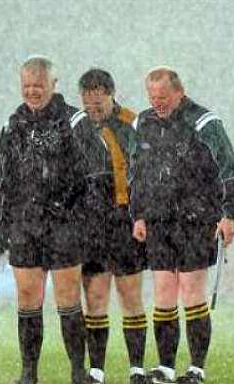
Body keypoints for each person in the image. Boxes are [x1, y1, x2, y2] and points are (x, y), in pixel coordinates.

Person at [129, 66, 234, 384]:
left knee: (191, 290)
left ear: (179, 91)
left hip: (197, 218)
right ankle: (165, 367)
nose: (157, 103)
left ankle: (196, 369)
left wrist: (229, 213)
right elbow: (135, 170)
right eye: (152, 97)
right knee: (164, 290)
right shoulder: (142, 123)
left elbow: (229, 168)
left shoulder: (205, 123)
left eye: (163, 97)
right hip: (158, 219)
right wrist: (138, 213)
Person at [0, 55, 101, 384]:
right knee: (27, 296)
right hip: (25, 225)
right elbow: (2, 180)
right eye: (26, 86)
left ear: (53, 85)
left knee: (68, 297)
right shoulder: (13, 126)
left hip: (64, 224)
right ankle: (29, 373)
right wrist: (2, 223)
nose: (32, 92)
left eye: (38, 86)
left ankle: (78, 371)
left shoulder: (74, 121)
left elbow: (94, 173)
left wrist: (74, 209)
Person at [77, 68, 148, 384]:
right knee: (94, 299)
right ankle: (96, 371)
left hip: (123, 220)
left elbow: (147, 172)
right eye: (87, 105)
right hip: (90, 224)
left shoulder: (133, 125)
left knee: (130, 295)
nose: (93, 111)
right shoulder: (76, 128)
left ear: (111, 94)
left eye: (98, 105)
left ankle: (136, 368)